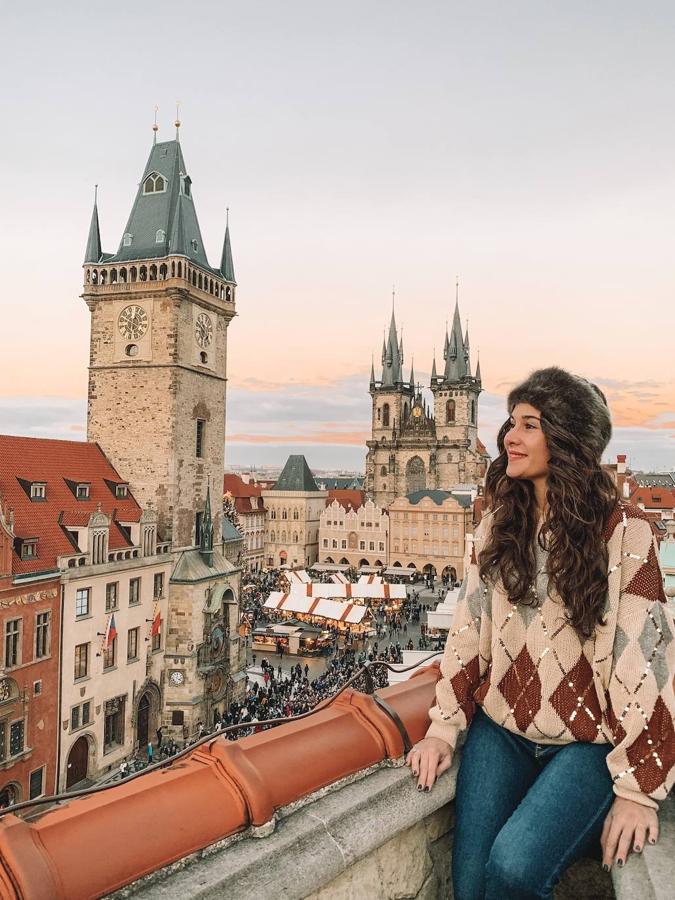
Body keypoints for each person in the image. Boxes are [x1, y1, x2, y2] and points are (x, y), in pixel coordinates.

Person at [405, 367, 675, 900]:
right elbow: (468, 633)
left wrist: (639, 789)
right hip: (502, 729)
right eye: (512, 422)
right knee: (470, 883)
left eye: (530, 425)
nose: (511, 436)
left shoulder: (625, 532)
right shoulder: (498, 524)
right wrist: (442, 727)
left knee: (513, 869)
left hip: (587, 745)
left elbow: (645, 659)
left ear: (567, 437)